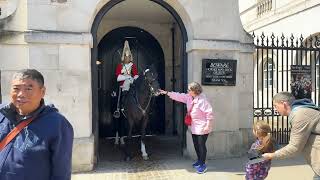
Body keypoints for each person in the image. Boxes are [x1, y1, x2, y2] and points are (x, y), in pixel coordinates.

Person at [0, 69, 74, 180]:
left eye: (28, 89)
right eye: (16, 89)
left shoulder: (57, 124)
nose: (21, 94)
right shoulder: (2, 114)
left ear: (42, 92)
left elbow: (61, 171)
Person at [262, 92, 320, 180]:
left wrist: (271, 155)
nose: (275, 109)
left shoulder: (300, 115)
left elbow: (294, 148)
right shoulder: (301, 111)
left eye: (275, 106)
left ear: (284, 104)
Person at [159, 82, 214, 174]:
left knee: (201, 146)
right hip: (194, 126)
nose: (187, 91)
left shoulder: (202, 100)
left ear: (194, 91)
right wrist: (166, 93)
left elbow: (209, 113)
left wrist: (208, 125)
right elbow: (178, 96)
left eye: (189, 90)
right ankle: (199, 161)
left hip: (203, 126)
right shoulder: (189, 97)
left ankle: (203, 165)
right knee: (196, 145)